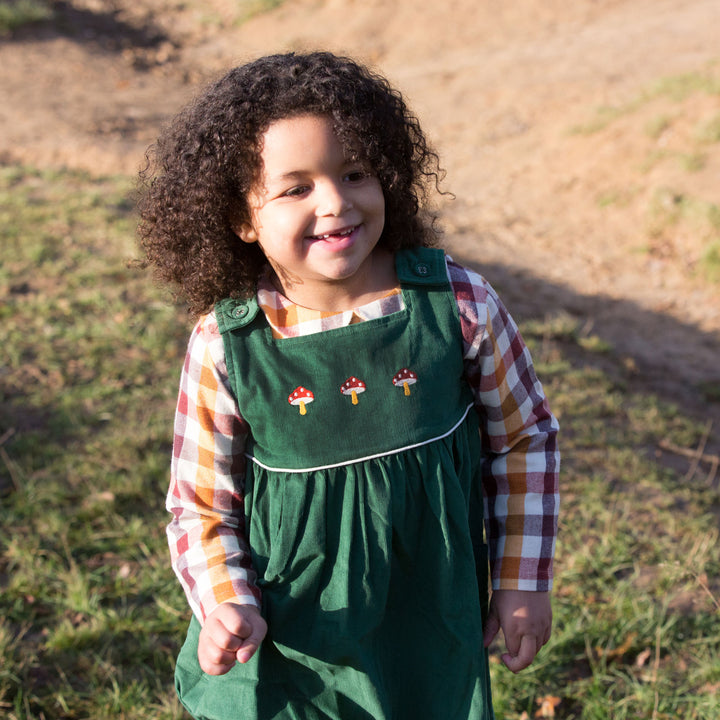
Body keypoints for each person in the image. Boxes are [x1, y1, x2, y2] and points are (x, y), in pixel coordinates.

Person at [137, 51, 560, 720]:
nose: (335, 201)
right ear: (242, 218)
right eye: (294, 187)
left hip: (428, 615)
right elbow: (200, 505)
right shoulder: (229, 344)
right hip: (294, 632)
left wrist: (520, 582)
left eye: (354, 172)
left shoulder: (457, 305)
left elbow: (524, 441)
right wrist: (226, 603)